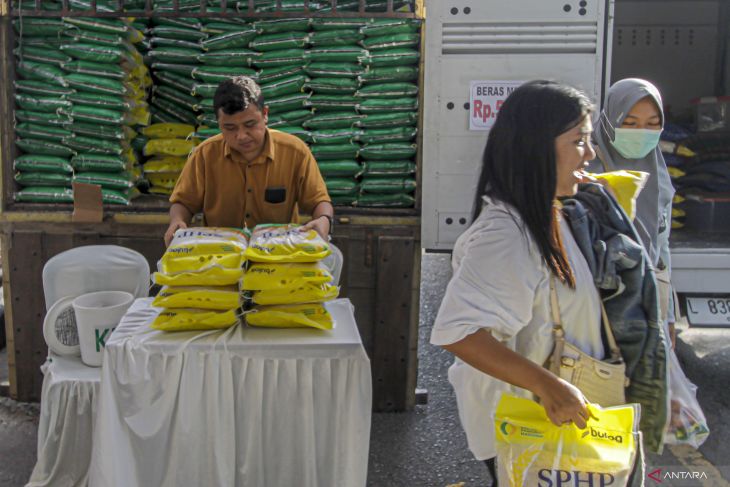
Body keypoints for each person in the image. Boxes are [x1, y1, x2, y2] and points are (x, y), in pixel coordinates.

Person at [430, 81, 603, 485]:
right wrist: (549, 387)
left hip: (546, 427)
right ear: (536, 148)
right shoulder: (506, 235)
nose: (591, 154)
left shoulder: (548, 214)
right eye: (579, 141)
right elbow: (460, 332)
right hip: (528, 429)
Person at [165, 76, 334, 246]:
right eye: (230, 128)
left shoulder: (295, 152)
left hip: (279, 252)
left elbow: (319, 201)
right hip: (219, 254)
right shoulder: (205, 155)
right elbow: (183, 202)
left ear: (265, 114)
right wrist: (177, 221)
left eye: (250, 124)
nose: (241, 136)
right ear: (219, 124)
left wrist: (324, 220)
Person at [592, 78, 677, 346]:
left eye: (653, 124)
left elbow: (661, 248)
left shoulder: (660, 179)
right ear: (608, 121)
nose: (642, 132)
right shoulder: (584, 172)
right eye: (630, 123)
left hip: (647, 305)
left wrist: (669, 316)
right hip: (596, 305)